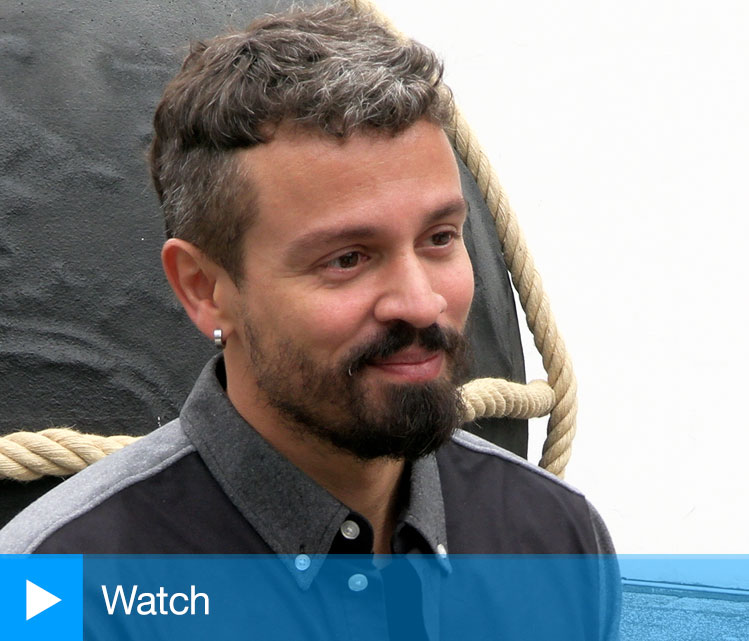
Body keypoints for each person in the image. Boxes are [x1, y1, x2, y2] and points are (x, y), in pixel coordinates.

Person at [0, 3, 618, 638]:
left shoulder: (557, 540)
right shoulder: (62, 591)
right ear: (205, 288)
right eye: (348, 259)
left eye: (439, 238)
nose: (418, 302)